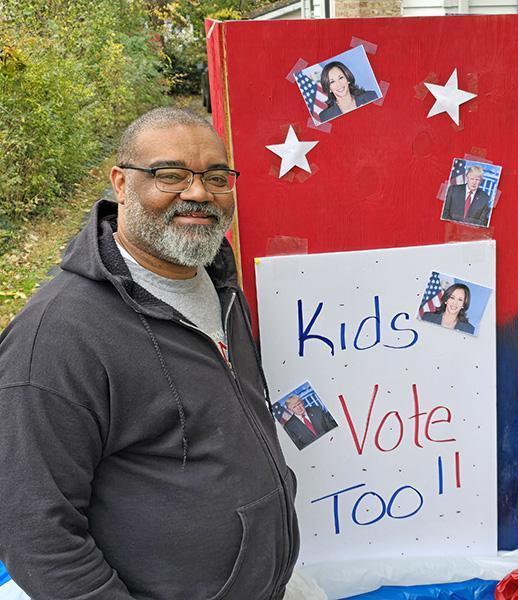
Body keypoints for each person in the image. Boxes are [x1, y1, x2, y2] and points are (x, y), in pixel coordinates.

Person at [0, 107, 299, 599]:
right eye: (170, 175)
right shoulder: (57, 338)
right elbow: (35, 531)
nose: (199, 193)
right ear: (121, 183)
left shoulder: (218, 285)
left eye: (216, 177)